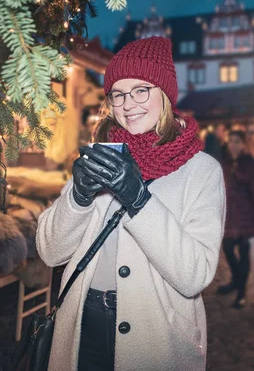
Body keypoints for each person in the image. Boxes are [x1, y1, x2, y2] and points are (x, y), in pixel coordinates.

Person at [36, 36, 226, 371]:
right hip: (82, 325)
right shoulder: (103, 154)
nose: (128, 104)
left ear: (165, 95)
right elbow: (51, 252)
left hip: (156, 336)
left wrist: (140, 200)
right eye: (118, 94)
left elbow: (194, 275)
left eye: (141, 90)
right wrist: (78, 198)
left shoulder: (201, 171)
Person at [217, 130, 254, 309]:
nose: (233, 145)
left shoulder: (250, 163)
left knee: (244, 253)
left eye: (237, 141)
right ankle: (236, 280)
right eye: (231, 141)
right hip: (230, 214)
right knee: (228, 248)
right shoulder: (225, 161)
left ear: (244, 144)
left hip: (247, 214)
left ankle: (242, 292)